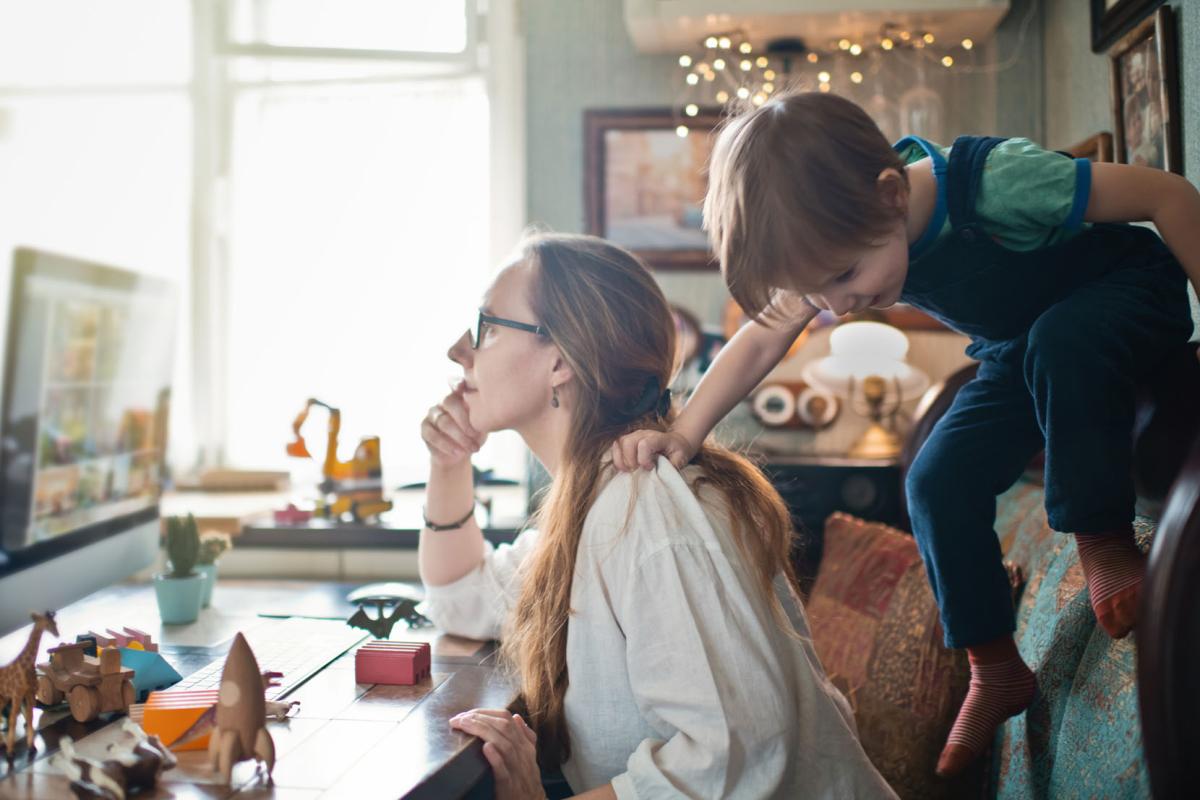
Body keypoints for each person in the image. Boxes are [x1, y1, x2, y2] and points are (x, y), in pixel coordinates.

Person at [611, 90, 1200, 777]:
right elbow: (761, 338)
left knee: (1058, 339)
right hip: (1023, 348)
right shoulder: (842, 233)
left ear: (892, 195)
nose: (833, 308)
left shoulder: (993, 182)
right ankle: (994, 665)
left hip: (1126, 295)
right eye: (817, 294)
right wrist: (683, 434)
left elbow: (1169, 195)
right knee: (934, 480)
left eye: (843, 279)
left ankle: (1101, 542)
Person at [418, 232, 896, 799]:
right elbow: (459, 599)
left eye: (488, 326)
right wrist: (449, 462)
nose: (458, 350)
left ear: (561, 360)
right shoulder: (594, 499)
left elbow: (730, 754)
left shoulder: (644, 508)